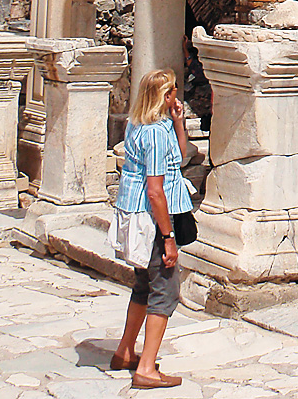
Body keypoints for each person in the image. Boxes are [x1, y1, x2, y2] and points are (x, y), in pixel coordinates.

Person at [110, 68, 193, 389]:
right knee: (166, 289)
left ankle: (125, 352)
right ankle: (146, 367)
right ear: (164, 96)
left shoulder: (139, 125)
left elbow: (180, 158)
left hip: (135, 213)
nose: (177, 95)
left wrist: (178, 122)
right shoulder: (155, 134)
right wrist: (169, 237)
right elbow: (156, 189)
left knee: (143, 285)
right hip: (154, 218)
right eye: (172, 91)